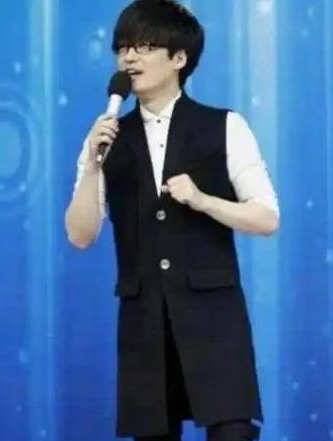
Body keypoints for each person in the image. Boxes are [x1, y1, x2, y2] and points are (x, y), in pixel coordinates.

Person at [64, 1, 279, 439]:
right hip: (144, 322)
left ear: (179, 58)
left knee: (233, 429)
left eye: (143, 47)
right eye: (122, 48)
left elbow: (266, 217)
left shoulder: (225, 126)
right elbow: (80, 235)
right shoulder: (106, 138)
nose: (129, 58)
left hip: (214, 318)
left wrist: (204, 201)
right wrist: (92, 165)